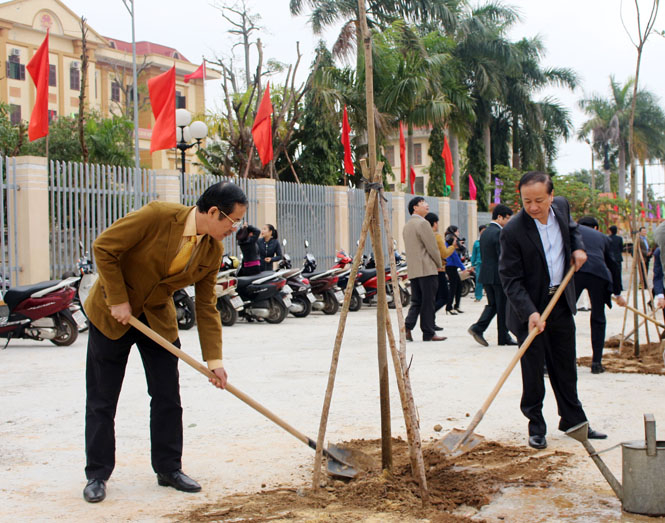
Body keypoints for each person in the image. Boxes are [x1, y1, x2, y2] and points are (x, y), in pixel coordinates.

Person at [82, 182, 248, 503]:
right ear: (213, 212)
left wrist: (214, 361)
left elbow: (205, 306)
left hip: (156, 318)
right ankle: (97, 474)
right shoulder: (157, 216)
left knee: (167, 396)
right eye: (232, 221)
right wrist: (117, 300)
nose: (234, 229)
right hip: (112, 313)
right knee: (102, 399)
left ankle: (168, 468)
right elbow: (104, 247)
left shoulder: (212, 251)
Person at [499, 171, 607, 450]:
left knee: (565, 366)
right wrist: (531, 312)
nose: (533, 207)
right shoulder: (513, 231)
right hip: (530, 308)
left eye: (538, 200)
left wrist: (579, 249)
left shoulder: (561, 207)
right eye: (526, 201)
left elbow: (572, 230)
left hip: (559, 301)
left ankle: (573, 420)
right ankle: (536, 426)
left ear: (550, 196)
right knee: (533, 371)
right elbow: (510, 279)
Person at [575, 216, 625, 374]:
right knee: (598, 317)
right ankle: (596, 363)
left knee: (563, 315)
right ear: (596, 228)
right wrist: (617, 293)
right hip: (599, 274)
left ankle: (560, 361)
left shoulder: (572, 232)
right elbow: (614, 265)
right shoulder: (603, 237)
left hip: (575, 272)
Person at [468, 204, 517, 347]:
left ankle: (479, 328)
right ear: (499, 217)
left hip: (486, 275)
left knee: (494, 305)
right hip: (498, 276)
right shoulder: (499, 233)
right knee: (502, 306)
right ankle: (502, 337)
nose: (509, 221)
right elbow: (502, 256)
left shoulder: (486, 232)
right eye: (507, 218)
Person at [403, 197, 445, 342]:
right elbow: (431, 247)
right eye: (423, 203)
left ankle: (407, 327)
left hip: (414, 270)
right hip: (427, 268)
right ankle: (428, 332)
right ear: (415, 208)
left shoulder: (407, 225)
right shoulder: (423, 223)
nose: (427, 205)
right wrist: (439, 263)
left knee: (417, 301)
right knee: (428, 302)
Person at [424, 212, 455, 329]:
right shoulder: (436, 236)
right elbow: (444, 253)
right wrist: (453, 247)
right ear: (435, 223)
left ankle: (431, 322)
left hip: (428, 269)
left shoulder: (425, 235)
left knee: (434, 297)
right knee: (444, 297)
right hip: (439, 269)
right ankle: (428, 316)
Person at [444, 225, 465, 314]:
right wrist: (463, 267)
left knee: (458, 286)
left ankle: (456, 306)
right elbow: (454, 255)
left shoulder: (450, 238)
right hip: (450, 266)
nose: (458, 233)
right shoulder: (451, 239)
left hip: (452, 266)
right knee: (453, 287)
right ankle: (449, 307)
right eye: (457, 231)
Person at [470, 224, 487, 302]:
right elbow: (474, 254)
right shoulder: (477, 243)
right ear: (480, 232)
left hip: (487, 263)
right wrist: (473, 264)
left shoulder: (488, 241)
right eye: (482, 231)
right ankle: (478, 296)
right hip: (479, 264)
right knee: (478, 280)